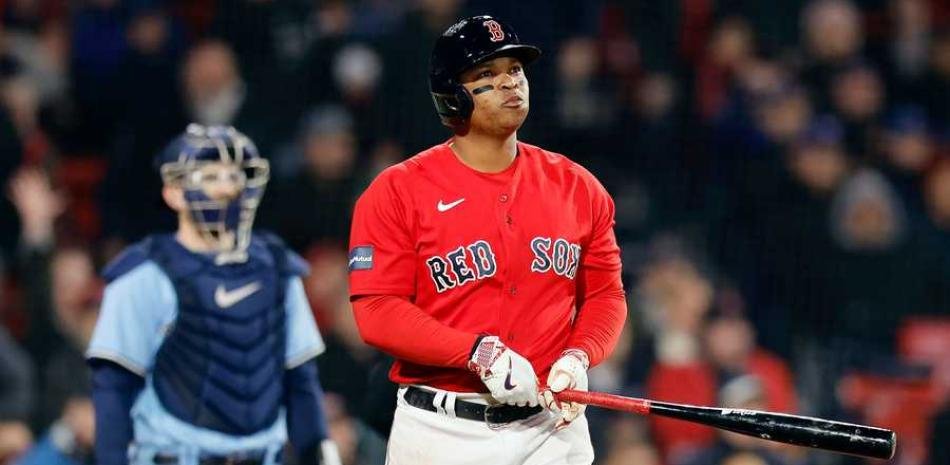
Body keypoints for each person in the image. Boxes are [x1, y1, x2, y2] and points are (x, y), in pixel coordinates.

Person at [348, 15, 627, 465]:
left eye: (515, 70)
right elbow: (377, 311)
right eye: (486, 74)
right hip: (443, 431)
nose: (510, 83)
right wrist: (477, 353)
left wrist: (579, 356)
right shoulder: (398, 191)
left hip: (552, 430)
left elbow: (605, 295)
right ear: (451, 96)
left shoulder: (579, 187)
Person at [85, 125, 341, 465]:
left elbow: (300, 378)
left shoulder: (277, 267)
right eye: (210, 177)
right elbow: (113, 385)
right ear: (174, 193)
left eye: (234, 176)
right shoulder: (144, 274)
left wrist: (319, 450)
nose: (226, 188)